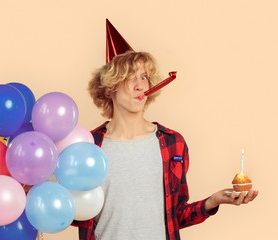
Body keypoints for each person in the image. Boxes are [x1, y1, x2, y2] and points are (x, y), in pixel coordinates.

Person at [74, 50, 258, 240]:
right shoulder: (88, 146)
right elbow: (77, 211)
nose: (140, 86)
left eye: (144, 77)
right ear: (110, 86)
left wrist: (213, 201)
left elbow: (176, 215)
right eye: (129, 78)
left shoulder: (173, 143)